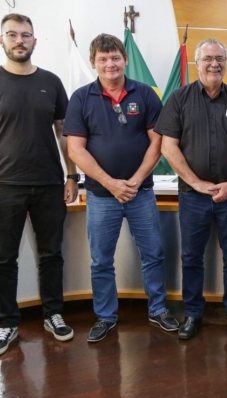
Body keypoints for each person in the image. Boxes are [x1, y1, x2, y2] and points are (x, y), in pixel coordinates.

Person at [0, 13, 78, 356]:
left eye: (25, 35)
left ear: (34, 41)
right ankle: (7, 324)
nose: (19, 40)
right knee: (3, 259)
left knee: (52, 255)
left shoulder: (52, 82)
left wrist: (72, 175)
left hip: (48, 185)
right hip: (3, 187)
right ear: (1, 40)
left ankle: (53, 314)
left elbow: (65, 135)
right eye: (12, 35)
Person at [64, 33, 178, 342]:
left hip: (141, 194)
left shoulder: (145, 94)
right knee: (101, 260)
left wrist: (136, 180)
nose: (110, 63)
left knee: (153, 254)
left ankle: (158, 310)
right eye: (103, 59)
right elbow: (76, 150)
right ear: (93, 63)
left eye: (115, 57)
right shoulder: (80, 98)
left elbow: (159, 141)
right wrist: (112, 184)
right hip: (102, 197)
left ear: (125, 59)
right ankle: (105, 316)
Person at [156, 38, 227, 340]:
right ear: (197, 63)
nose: (214, 63)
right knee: (191, 257)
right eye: (208, 58)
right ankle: (192, 314)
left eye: (220, 58)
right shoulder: (178, 99)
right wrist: (196, 183)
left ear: (226, 63)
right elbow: (168, 146)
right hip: (192, 197)